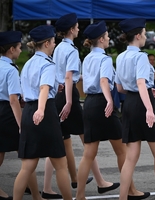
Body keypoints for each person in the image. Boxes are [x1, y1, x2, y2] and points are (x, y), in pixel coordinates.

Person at [76, 20, 148, 200]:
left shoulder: (87, 58)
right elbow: (103, 82)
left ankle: (80, 196)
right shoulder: (105, 59)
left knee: (88, 154)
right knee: (122, 151)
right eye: (107, 36)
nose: (109, 38)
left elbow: (83, 83)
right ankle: (130, 190)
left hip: (89, 103)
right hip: (103, 104)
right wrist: (109, 100)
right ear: (101, 39)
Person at [53, 13, 114, 191]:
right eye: (77, 26)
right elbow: (69, 76)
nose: (79, 28)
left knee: (61, 141)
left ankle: (56, 185)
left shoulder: (57, 48)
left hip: (58, 93)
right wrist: (70, 101)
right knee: (88, 142)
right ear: (72, 30)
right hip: (67, 94)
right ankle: (100, 182)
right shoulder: (71, 50)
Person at [13, 25, 73, 200]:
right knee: (61, 164)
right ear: (47, 43)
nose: (55, 44)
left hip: (28, 111)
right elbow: (44, 88)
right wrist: (41, 109)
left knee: (27, 167)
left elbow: (26, 91)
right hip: (44, 111)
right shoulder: (48, 64)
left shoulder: (28, 64)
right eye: (53, 41)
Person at [0, 31, 42, 200]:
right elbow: (13, 99)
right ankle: (36, 196)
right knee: (27, 158)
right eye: (19, 47)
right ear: (11, 50)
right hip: (8, 114)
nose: (21, 50)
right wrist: (22, 124)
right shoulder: (11, 70)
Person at [115, 18, 155, 200]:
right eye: (145, 34)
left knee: (130, 158)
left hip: (129, 104)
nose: (146, 37)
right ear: (138, 35)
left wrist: (147, 90)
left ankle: (122, 198)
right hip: (142, 105)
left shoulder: (121, 56)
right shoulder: (140, 56)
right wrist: (149, 107)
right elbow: (140, 82)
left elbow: (120, 88)